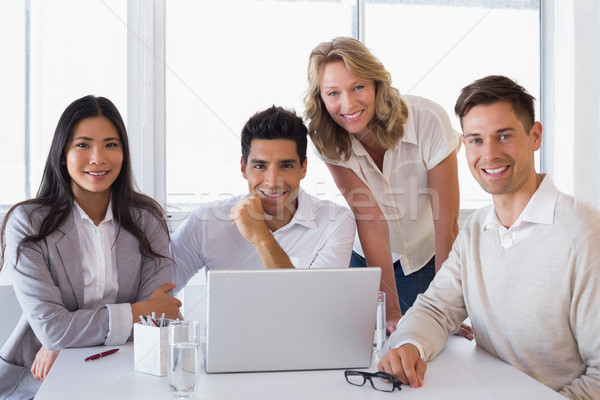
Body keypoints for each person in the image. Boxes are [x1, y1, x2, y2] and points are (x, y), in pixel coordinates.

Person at [378, 75, 600, 399]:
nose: (489, 154)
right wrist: (409, 346)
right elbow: (436, 310)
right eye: (476, 140)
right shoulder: (475, 230)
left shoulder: (583, 235)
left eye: (504, 136)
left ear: (534, 136)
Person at [0, 95, 181, 400]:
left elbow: (156, 324)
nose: (98, 158)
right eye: (83, 145)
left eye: (111, 144)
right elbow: (53, 330)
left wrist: (68, 340)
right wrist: (137, 312)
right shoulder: (29, 223)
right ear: (62, 154)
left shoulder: (147, 219)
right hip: (39, 383)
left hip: (128, 375)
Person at [304, 37, 461, 329]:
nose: (347, 104)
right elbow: (372, 221)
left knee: (429, 338)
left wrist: (445, 307)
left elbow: (446, 221)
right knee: (366, 341)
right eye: (333, 93)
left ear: (377, 84)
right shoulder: (327, 138)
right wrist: (389, 312)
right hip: (368, 258)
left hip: (425, 257)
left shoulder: (428, 120)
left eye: (358, 87)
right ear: (321, 99)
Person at [171, 106, 356, 290]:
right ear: (244, 168)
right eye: (260, 166)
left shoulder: (336, 221)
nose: (272, 181)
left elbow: (313, 305)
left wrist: (261, 237)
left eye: (286, 166)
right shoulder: (206, 221)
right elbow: (159, 291)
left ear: (304, 168)